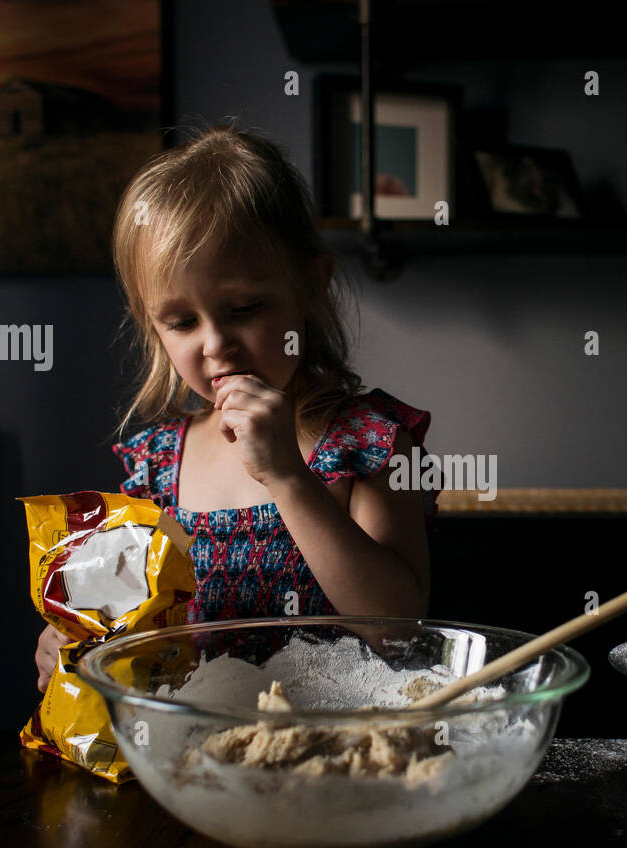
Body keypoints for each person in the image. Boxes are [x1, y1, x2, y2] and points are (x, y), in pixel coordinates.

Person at [34, 123, 439, 691]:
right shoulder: (154, 466)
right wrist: (76, 638)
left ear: (311, 286)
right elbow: (132, 624)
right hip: (197, 758)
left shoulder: (367, 442)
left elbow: (397, 630)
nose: (215, 343)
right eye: (180, 321)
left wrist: (287, 476)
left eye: (244, 308)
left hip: (340, 751)